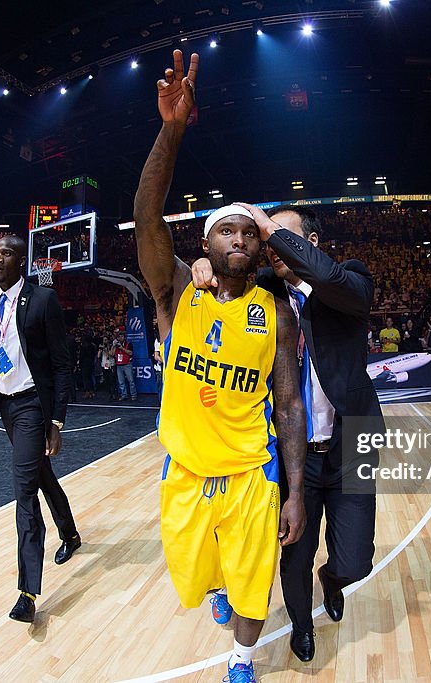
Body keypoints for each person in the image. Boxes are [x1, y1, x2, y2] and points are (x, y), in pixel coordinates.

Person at [133, 49, 306, 683]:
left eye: (248, 232)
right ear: (204, 243)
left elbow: (288, 404)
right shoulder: (179, 289)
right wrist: (172, 129)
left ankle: (241, 661)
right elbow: (146, 218)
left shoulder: (277, 312)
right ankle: (217, 588)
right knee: (200, 581)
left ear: (262, 247)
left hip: (248, 473)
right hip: (185, 471)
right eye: (225, 230)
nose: (237, 238)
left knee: (254, 582)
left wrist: (295, 489)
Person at [193, 202, 385, 663]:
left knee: (355, 560)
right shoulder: (261, 294)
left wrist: (270, 228)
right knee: (294, 555)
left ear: (310, 243)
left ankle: (333, 579)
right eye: (267, 235)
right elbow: (214, 276)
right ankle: (301, 622)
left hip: (352, 442)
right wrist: (202, 264)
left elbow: (333, 281)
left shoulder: (349, 282)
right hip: (291, 452)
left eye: (279, 233)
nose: (269, 241)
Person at [0, 235, 81, 623]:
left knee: (23, 491)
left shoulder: (41, 300)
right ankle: (70, 533)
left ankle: (27, 592)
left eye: (6, 253)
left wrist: (56, 421)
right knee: (39, 473)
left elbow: (61, 364)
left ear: (20, 261)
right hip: (3, 406)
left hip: (31, 404)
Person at [113, 333, 136, 400]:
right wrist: (114, 346)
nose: (120, 338)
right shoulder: (116, 345)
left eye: (122, 336)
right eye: (119, 337)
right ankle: (124, 395)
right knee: (121, 382)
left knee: (131, 381)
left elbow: (130, 353)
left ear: (124, 337)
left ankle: (133, 395)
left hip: (127, 364)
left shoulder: (128, 344)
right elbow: (112, 354)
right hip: (119, 365)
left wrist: (122, 348)